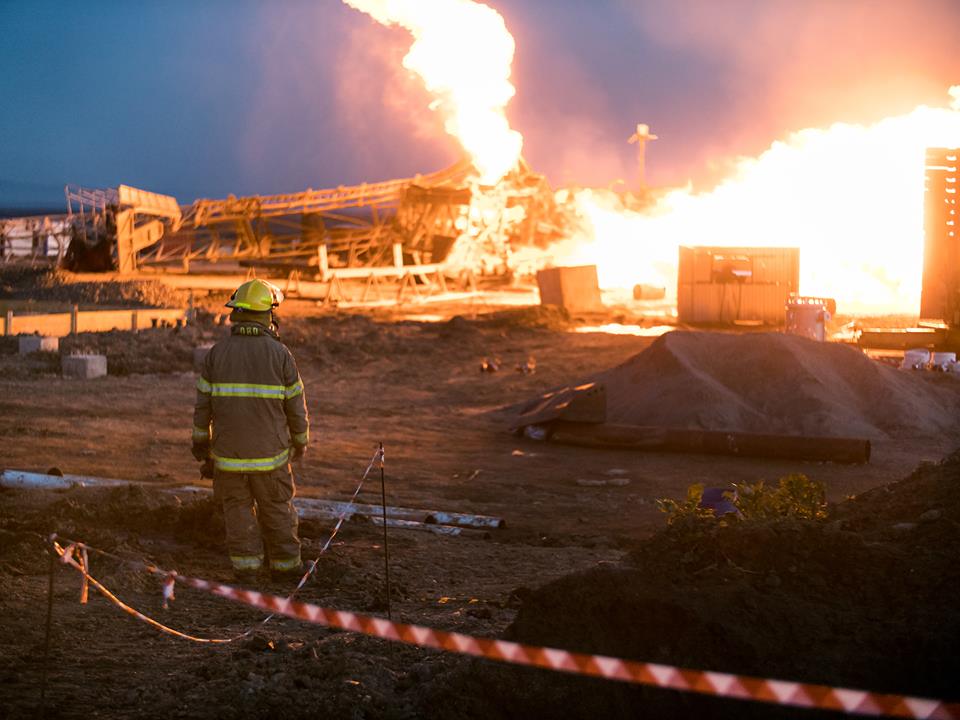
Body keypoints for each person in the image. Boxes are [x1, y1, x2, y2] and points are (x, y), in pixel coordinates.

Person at [192, 279, 309, 583]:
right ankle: (286, 569)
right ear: (266, 315)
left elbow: (202, 408)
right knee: (276, 510)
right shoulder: (281, 355)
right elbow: (296, 407)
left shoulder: (216, 354)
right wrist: (300, 441)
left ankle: (247, 572)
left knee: (238, 513)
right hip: (270, 458)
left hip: (228, 458)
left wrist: (201, 447)